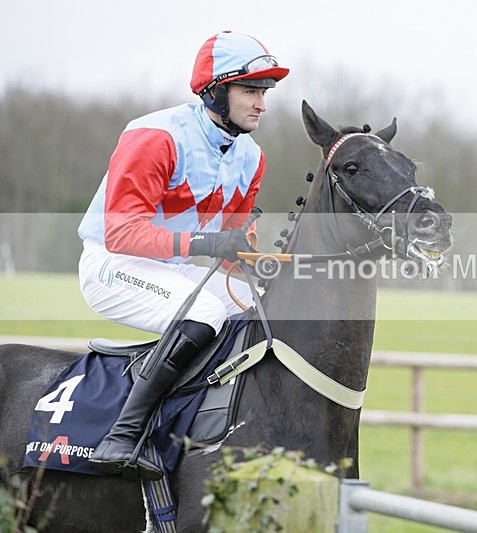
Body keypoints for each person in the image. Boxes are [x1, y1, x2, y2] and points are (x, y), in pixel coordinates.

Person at [76, 31, 289, 480]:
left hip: (171, 268)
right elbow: (121, 232)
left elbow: (233, 246)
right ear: (216, 90)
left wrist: (259, 259)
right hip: (112, 266)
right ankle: (124, 434)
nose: (262, 104)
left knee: (261, 307)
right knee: (208, 309)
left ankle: (224, 426)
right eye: (251, 91)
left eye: (264, 93)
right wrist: (203, 245)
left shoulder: (252, 157)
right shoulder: (155, 136)